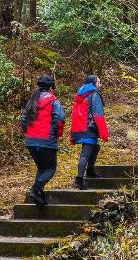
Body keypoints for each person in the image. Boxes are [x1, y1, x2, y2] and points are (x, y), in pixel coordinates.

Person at [20, 75, 65, 208]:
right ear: (51, 88)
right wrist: (56, 134)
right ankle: (34, 190)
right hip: (46, 140)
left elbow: (23, 120)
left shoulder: (31, 101)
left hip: (31, 141)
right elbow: (59, 120)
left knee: (41, 167)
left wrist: (28, 133)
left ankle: (37, 196)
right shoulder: (54, 101)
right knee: (50, 168)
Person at [70, 74, 109, 189]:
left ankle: (90, 171)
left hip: (81, 127)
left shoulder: (81, 94)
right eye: (98, 82)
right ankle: (79, 179)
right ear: (93, 83)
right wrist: (103, 132)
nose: (100, 85)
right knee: (86, 153)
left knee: (95, 148)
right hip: (89, 127)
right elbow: (98, 114)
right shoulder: (93, 93)